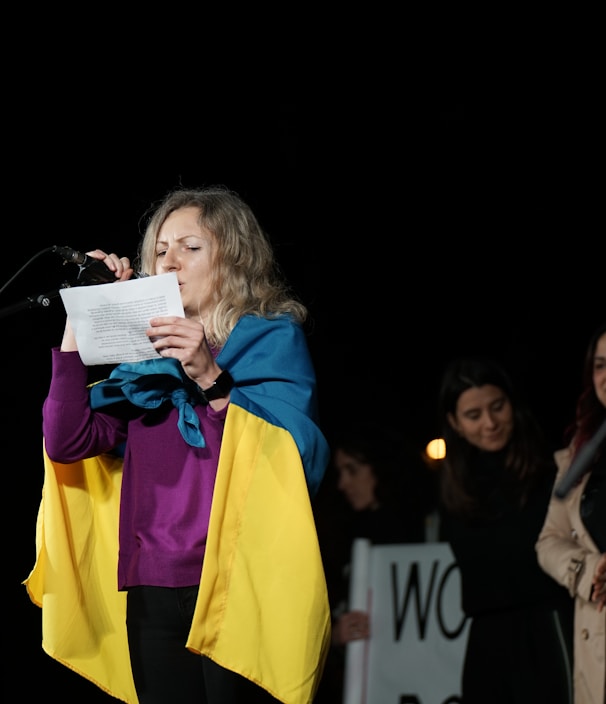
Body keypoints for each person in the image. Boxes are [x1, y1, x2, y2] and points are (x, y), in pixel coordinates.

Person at [24, 185, 331, 704]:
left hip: (237, 582)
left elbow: (296, 458)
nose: (171, 261)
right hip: (151, 585)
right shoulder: (142, 357)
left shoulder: (271, 339)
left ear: (233, 258)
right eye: (161, 250)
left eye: (191, 247)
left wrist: (212, 377)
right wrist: (82, 316)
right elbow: (66, 439)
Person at [437, 356, 574, 704]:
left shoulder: (550, 470)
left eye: (498, 407)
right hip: (486, 637)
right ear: (454, 422)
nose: (490, 423)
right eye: (473, 415)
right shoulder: (455, 486)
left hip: (549, 626)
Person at [313, 420, 436, 703]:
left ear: (380, 468)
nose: (343, 484)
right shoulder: (348, 534)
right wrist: (336, 632)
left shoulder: (427, 528)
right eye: (340, 473)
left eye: (352, 470)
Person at [536, 322, 606, 704]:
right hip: (597, 639)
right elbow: (548, 542)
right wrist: (589, 568)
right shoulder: (578, 457)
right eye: (600, 364)